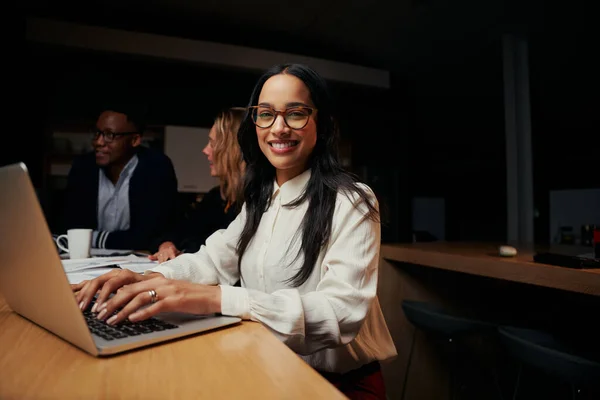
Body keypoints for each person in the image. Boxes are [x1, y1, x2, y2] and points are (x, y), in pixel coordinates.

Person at [73, 64, 397, 399]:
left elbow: (341, 312)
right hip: (272, 369)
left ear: (322, 124)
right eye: (266, 114)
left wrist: (218, 298)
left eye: (296, 113)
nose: (279, 128)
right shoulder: (261, 197)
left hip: (337, 386)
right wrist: (141, 278)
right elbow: (211, 262)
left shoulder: (352, 200)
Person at [59, 102, 180, 252]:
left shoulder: (156, 167)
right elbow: (70, 228)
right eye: (97, 133)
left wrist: (91, 238)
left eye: (110, 135)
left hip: (138, 260)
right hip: (88, 260)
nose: (98, 142)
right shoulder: (83, 167)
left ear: (134, 140)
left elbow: (148, 236)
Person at [150, 107, 246, 263]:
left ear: (234, 149)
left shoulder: (253, 204)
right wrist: (167, 244)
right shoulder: (215, 197)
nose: (205, 150)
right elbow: (180, 230)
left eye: (213, 143)